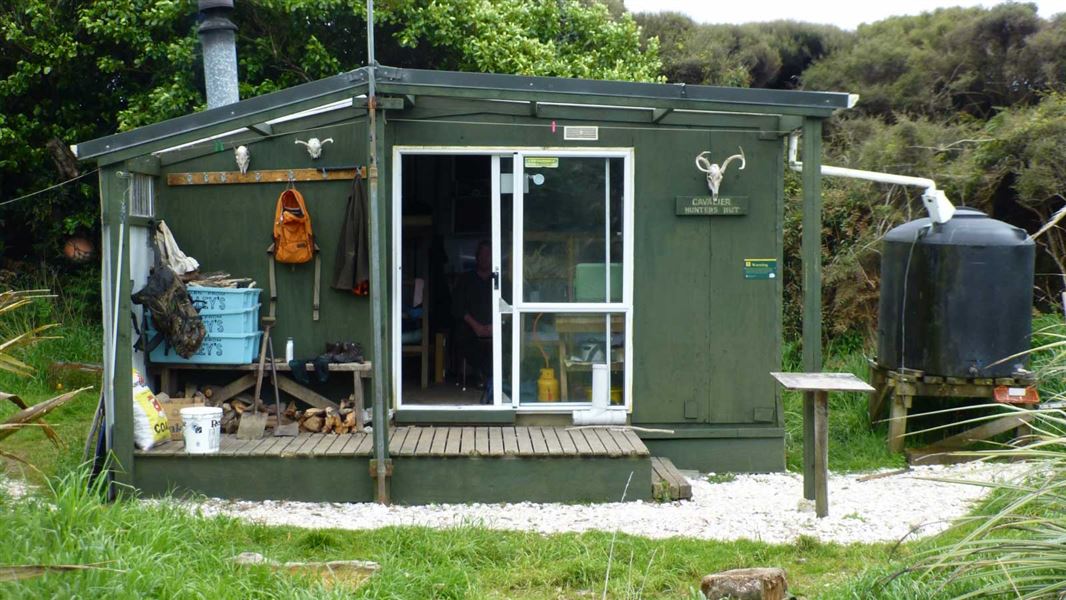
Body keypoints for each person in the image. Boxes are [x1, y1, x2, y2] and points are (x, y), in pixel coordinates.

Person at [451, 240, 492, 383]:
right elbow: (457, 307)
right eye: (482, 254)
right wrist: (477, 327)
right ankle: (481, 374)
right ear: (476, 256)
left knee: (508, 338)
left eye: (488, 254)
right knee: (461, 334)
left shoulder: (500, 280)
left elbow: (509, 305)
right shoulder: (465, 279)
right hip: (471, 328)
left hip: (496, 327)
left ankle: (492, 376)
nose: (485, 257)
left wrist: (495, 326)